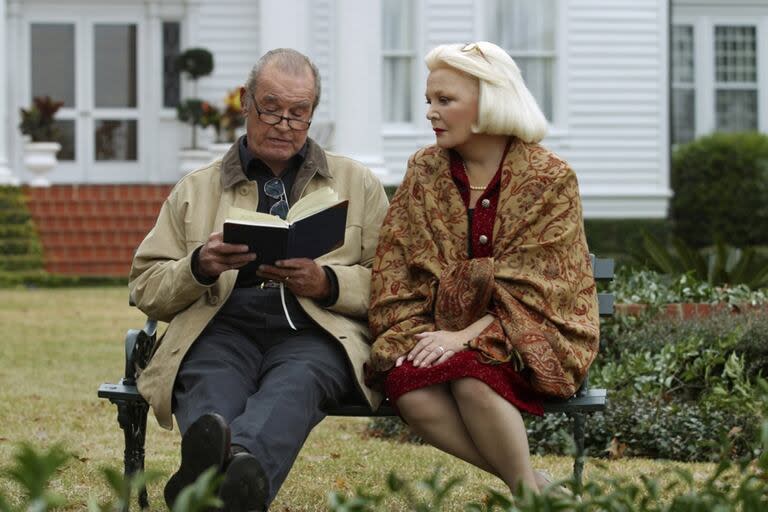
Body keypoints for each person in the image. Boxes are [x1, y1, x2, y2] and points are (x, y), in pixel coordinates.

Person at [129, 48, 389, 511]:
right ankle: (238, 476)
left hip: (315, 330)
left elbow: (393, 284)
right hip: (221, 325)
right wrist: (199, 266)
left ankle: (216, 477)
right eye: (271, 108)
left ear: (312, 114)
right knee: (209, 384)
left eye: (298, 113)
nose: (283, 124)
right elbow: (145, 285)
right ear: (247, 102)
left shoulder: (358, 184)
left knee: (298, 382)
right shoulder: (197, 188)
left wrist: (327, 282)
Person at [366, 41, 600, 495]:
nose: (431, 113)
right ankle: (532, 487)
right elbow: (398, 263)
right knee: (409, 389)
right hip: (436, 327)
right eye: (429, 101)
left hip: (534, 331)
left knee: (473, 380)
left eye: (445, 101)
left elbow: (546, 287)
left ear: (489, 102)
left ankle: (526, 494)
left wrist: (462, 336)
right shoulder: (423, 170)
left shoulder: (550, 178)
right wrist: (429, 332)